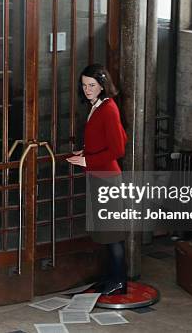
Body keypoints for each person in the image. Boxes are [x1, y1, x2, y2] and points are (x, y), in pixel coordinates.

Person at [66, 63, 128, 296]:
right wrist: (86, 153)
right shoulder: (98, 106)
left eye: (92, 85)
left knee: (112, 234)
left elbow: (119, 148)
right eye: (84, 85)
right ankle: (111, 277)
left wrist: (88, 161)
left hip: (107, 177)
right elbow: (117, 137)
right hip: (99, 174)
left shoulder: (108, 108)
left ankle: (119, 281)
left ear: (103, 86)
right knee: (104, 232)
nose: (87, 89)